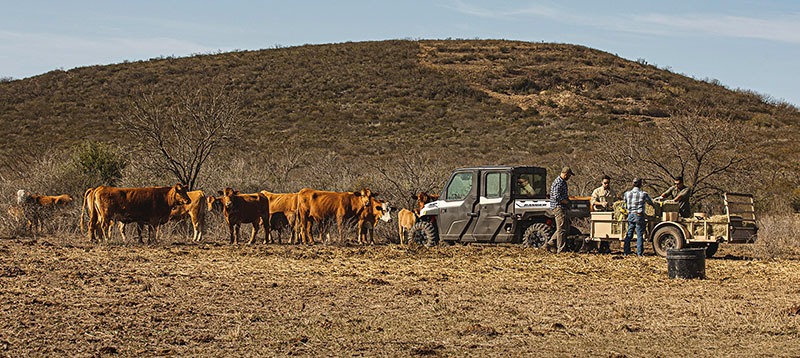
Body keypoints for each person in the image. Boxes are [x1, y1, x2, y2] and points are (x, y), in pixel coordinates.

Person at [623, 178, 654, 256]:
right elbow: (650, 202)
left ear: (633, 184)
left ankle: (626, 252)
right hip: (639, 215)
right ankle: (639, 253)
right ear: (640, 184)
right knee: (639, 234)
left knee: (629, 233)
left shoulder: (627, 193)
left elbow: (624, 203)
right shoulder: (643, 194)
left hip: (630, 214)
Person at [546, 166, 574, 253]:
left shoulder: (563, 182)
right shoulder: (558, 182)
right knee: (561, 229)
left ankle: (550, 243)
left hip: (562, 207)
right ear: (565, 174)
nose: (569, 177)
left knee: (564, 228)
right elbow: (556, 196)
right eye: (569, 175)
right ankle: (561, 249)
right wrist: (565, 202)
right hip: (558, 207)